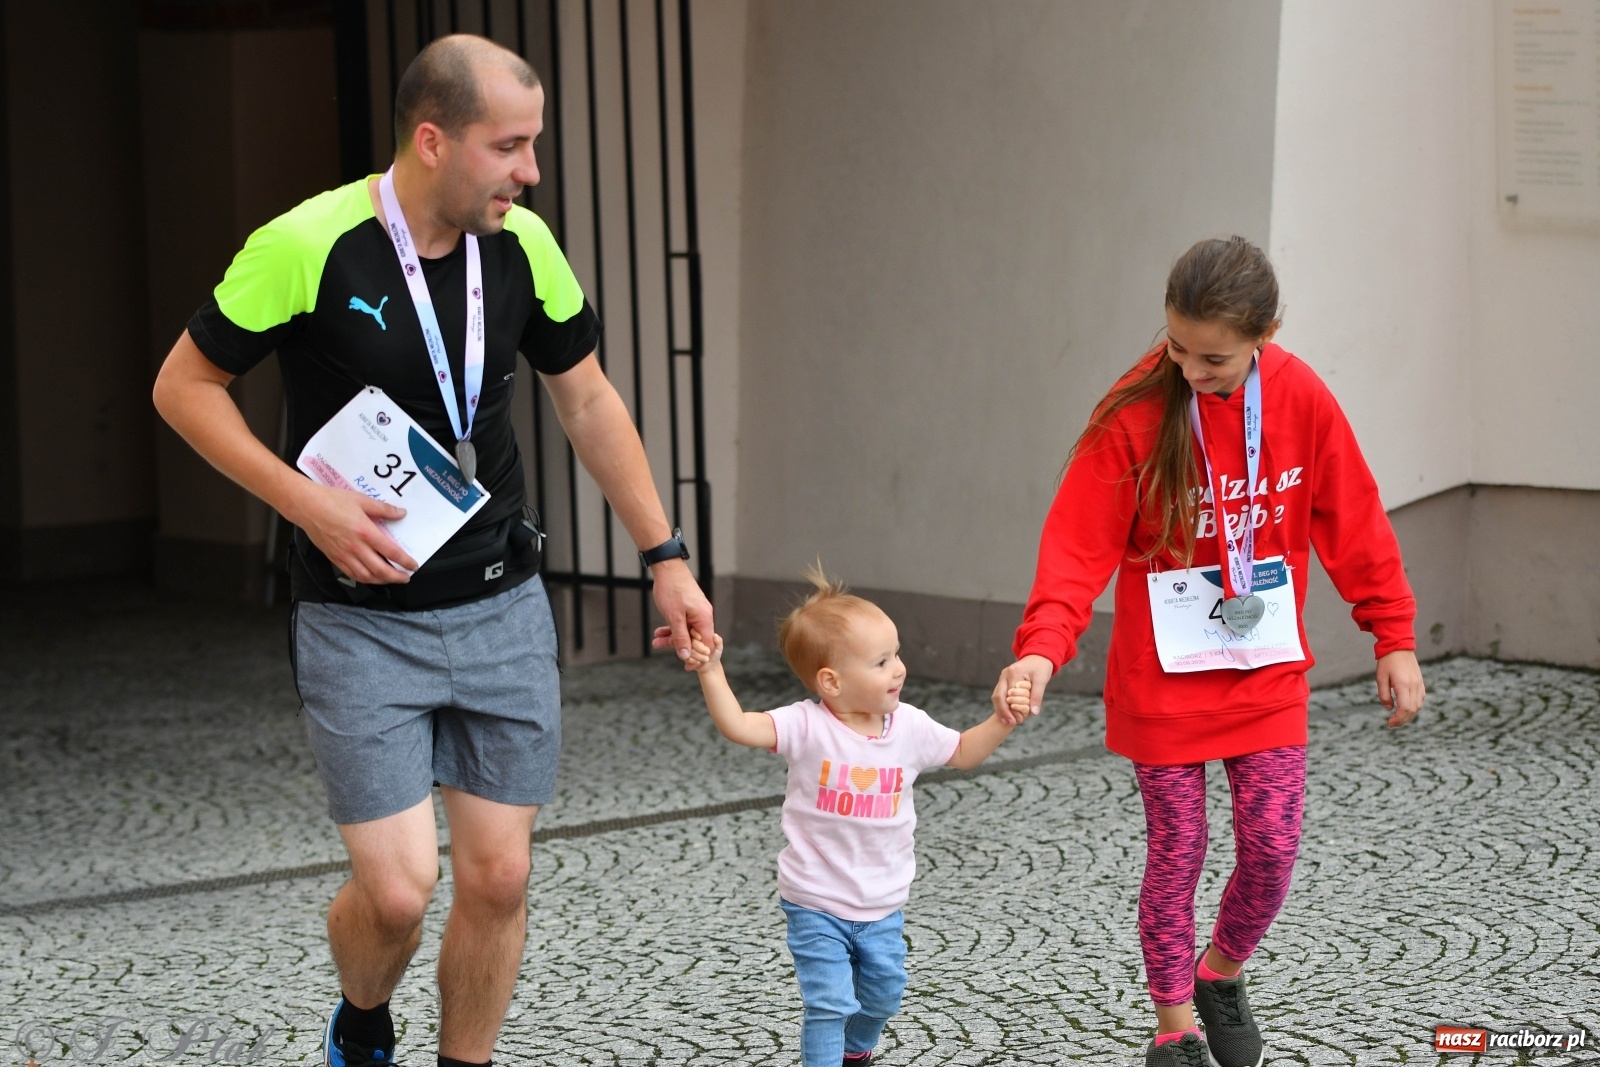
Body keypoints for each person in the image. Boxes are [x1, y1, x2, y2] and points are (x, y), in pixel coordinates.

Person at [152, 34, 711, 1067]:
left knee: (498, 876)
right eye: (509, 147)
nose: (531, 171)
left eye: (532, 145)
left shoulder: (523, 246)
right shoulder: (305, 243)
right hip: (358, 619)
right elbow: (182, 388)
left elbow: (585, 395)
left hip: (500, 600)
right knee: (401, 889)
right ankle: (363, 1018)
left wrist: (663, 551)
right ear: (430, 140)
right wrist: (306, 505)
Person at [991, 237, 1426, 1067]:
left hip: (1262, 664)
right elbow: (1076, 545)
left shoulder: (1300, 397)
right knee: (1178, 849)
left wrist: (1394, 636)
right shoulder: (1133, 409)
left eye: (1214, 358)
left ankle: (1220, 972)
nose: (1191, 369)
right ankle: (1173, 1024)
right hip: (1163, 678)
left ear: (1267, 330)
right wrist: (1042, 650)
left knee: (1271, 848)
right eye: (1177, 346)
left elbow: (1354, 518)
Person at [668, 569, 1023, 1067]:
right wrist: (711, 670)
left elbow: (963, 751)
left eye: (896, 654)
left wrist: (1001, 721)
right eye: (881, 662)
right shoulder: (806, 725)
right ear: (831, 681)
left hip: (882, 903)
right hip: (815, 901)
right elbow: (739, 725)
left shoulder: (910, 727)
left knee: (883, 996)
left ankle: (856, 1050)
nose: (899, 669)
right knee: (828, 1004)